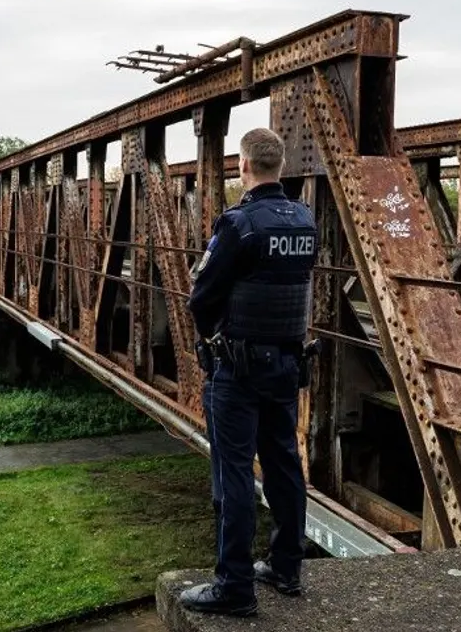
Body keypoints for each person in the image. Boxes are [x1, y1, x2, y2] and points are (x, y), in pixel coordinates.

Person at [181, 127, 317, 617]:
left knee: (232, 473)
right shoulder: (305, 221)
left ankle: (233, 586)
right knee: (284, 464)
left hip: (236, 370)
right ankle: (287, 567)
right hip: (286, 364)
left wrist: (212, 341)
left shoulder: (239, 225)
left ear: (242, 166)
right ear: (280, 165)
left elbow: (202, 297)